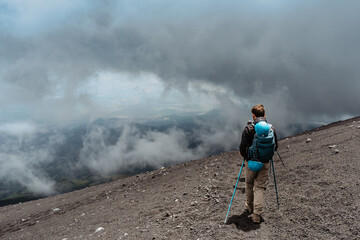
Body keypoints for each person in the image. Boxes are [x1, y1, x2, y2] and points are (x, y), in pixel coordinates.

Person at [239, 104, 278, 223]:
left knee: (249, 184)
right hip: (265, 162)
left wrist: (246, 156)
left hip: (251, 162)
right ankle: (257, 215)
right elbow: (275, 146)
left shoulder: (249, 129)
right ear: (264, 115)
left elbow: (242, 147)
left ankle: (249, 207)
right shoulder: (271, 129)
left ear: (253, 115)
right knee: (260, 187)